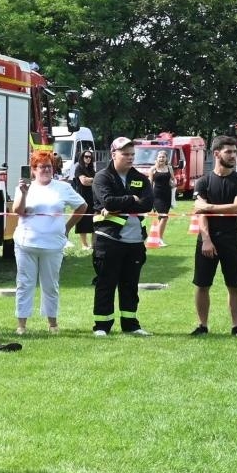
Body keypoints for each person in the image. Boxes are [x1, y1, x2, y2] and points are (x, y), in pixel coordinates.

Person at [9, 150, 86, 334]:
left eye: (49, 167)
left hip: (52, 244)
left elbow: (82, 206)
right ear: (33, 170)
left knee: (50, 285)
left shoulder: (63, 187)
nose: (46, 170)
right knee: (25, 283)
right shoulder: (24, 187)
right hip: (26, 243)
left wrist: (67, 228)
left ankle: (52, 323)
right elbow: (18, 210)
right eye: (42, 167)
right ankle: (21, 325)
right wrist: (23, 192)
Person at [187, 135, 237, 336]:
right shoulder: (203, 182)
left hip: (232, 240)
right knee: (202, 284)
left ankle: (236, 327)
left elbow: (236, 208)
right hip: (207, 239)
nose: (233, 155)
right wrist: (206, 239)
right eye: (229, 152)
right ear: (216, 154)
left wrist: (207, 207)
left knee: (234, 285)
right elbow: (200, 216)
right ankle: (202, 326)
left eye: (235, 151)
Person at [90, 137, 154, 336]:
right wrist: (131, 199)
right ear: (113, 154)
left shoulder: (140, 178)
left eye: (132, 154)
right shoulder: (102, 177)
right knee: (106, 284)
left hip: (135, 241)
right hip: (109, 240)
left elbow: (147, 204)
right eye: (125, 154)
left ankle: (131, 324)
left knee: (130, 286)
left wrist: (123, 203)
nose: (129, 158)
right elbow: (108, 201)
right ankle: (102, 326)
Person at [69, 149, 98, 251]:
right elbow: (84, 182)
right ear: (82, 157)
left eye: (90, 157)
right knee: (83, 221)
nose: (88, 158)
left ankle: (94, 245)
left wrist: (91, 180)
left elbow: (95, 181)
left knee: (94, 220)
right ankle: (84, 244)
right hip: (82, 197)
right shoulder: (79, 168)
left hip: (93, 198)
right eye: (86, 156)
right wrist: (93, 180)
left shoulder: (91, 169)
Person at [149, 151, 175, 245]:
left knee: (162, 218)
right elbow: (150, 184)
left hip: (167, 195)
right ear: (157, 158)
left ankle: (160, 239)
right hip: (157, 196)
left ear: (166, 158)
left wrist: (173, 183)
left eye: (163, 157)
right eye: (160, 157)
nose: (161, 159)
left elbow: (173, 179)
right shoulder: (153, 169)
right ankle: (158, 239)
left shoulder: (169, 168)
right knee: (164, 217)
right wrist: (149, 197)